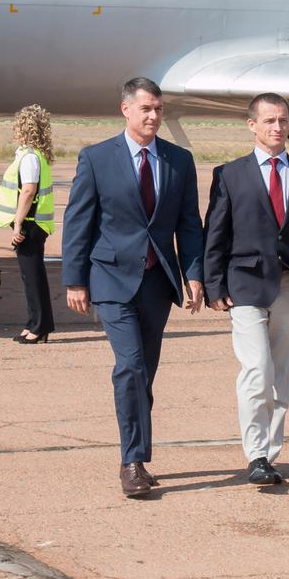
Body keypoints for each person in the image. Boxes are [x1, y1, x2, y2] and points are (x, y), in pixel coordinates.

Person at [61, 77, 205, 498]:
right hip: (110, 278)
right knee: (131, 366)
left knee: (145, 373)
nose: (153, 116)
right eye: (146, 109)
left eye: (158, 109)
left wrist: (194, 274)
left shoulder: (179, 160)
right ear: (126, 110)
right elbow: (78, 221)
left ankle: (135, 451)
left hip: (157, 281)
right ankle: (133, 462)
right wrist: (75, 279)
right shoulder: (96, 158)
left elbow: (188, 224)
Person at [203, 93, 289, 487]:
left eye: (283, 120)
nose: (277, 127)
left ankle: (268, 454)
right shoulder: (230, 175)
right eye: (269, 120)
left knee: (280, 373)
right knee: (257, 369)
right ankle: (256, 454)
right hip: (244, 284)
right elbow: (215, 234)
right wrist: (213, 284)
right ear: (252, 125)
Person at [0, 104, 56, 344]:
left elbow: (29, 190)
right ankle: (36, 323)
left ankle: (39, 326)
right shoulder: (35, 155)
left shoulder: (30, 157)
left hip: (29, 224)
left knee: (33, 276)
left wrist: (18, 223)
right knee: (32, 276)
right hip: (33, 223)